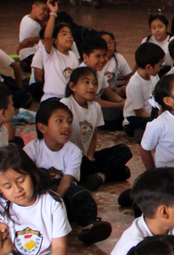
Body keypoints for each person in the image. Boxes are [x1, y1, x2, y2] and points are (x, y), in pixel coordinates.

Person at [23, 99, 112, 244]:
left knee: (78, 192)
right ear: (42, 127)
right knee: (41, 176)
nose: (67, 126)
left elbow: (66, 181)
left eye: (70, 122)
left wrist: (55, 203)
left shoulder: (73, 151)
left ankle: (89, 225)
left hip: (62, 198)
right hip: (41, 200)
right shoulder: (31, 150)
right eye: (59, 121)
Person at [124, 41, 164, 141]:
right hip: (134, 118)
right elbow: (140, 112)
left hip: (151, 112)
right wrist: (158, 118)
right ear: (148, 67)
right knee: (155, 124)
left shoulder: (154, 76)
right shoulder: (135, 84)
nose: (161, 68)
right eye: (160, 65)